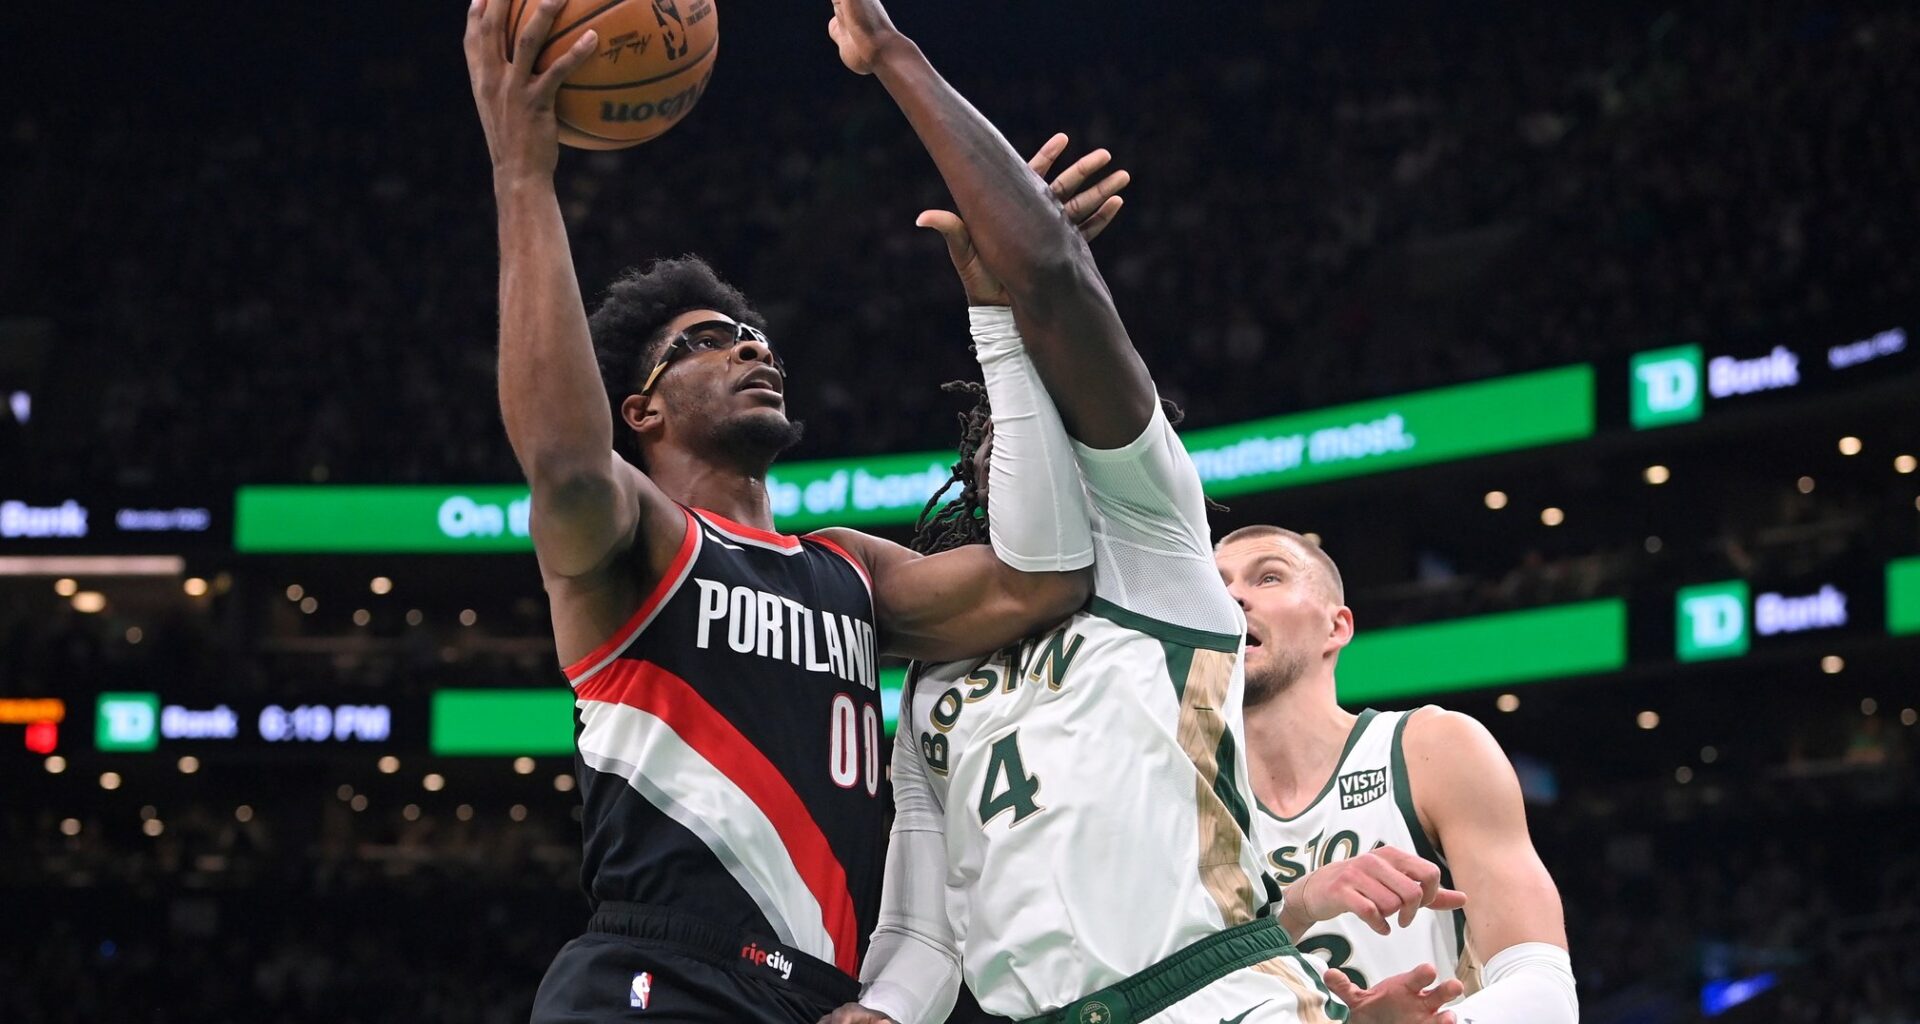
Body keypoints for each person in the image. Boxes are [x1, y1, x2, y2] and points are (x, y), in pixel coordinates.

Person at [462, 1, 1123, 1019]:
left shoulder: (848, 569)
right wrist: (523, 175)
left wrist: (1009, 307)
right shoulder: (639, 542)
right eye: (707, 340)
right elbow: (561, 457)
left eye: (754, 333)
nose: (751, 346)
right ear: (639, 408)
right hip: (657, 973)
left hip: (821, 997)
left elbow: (1042, 577)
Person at [816, 3, 1465, 1022]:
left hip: (1222, 996)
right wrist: (883, 1010)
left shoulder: (1160, 550)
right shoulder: (939, 674)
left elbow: (1053, 279)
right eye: (1002, 421)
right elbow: (924, 929)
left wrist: (894, 58)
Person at [1215, 525, 1579, 1023]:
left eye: (1269, 578)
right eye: (1216, 585)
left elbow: (1544, 987)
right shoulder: (1174, 796)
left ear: (1336, 627)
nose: (1232, 595)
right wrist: (1298, 904)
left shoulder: (1430, 748)